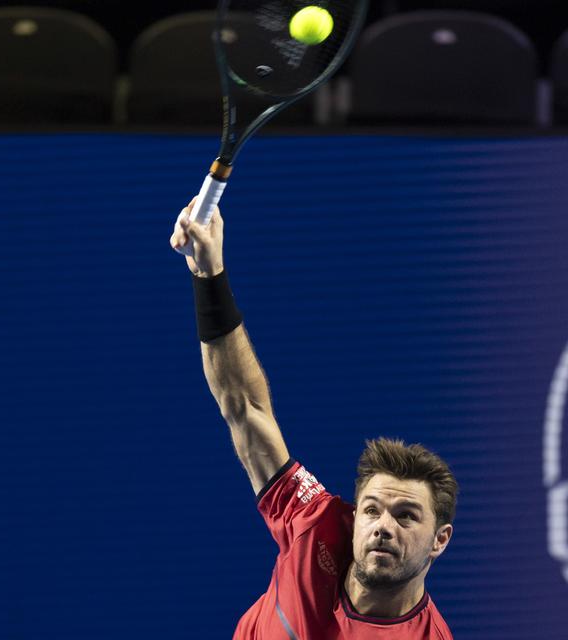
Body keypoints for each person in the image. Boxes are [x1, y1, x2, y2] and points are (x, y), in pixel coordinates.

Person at [171, 199, 458, 639]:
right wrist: (209, 273)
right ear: (354, 516)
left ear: (440, 539)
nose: (383, 527)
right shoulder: (315, 523)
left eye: (406, 517)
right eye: (372, 510)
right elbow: (245, 408)